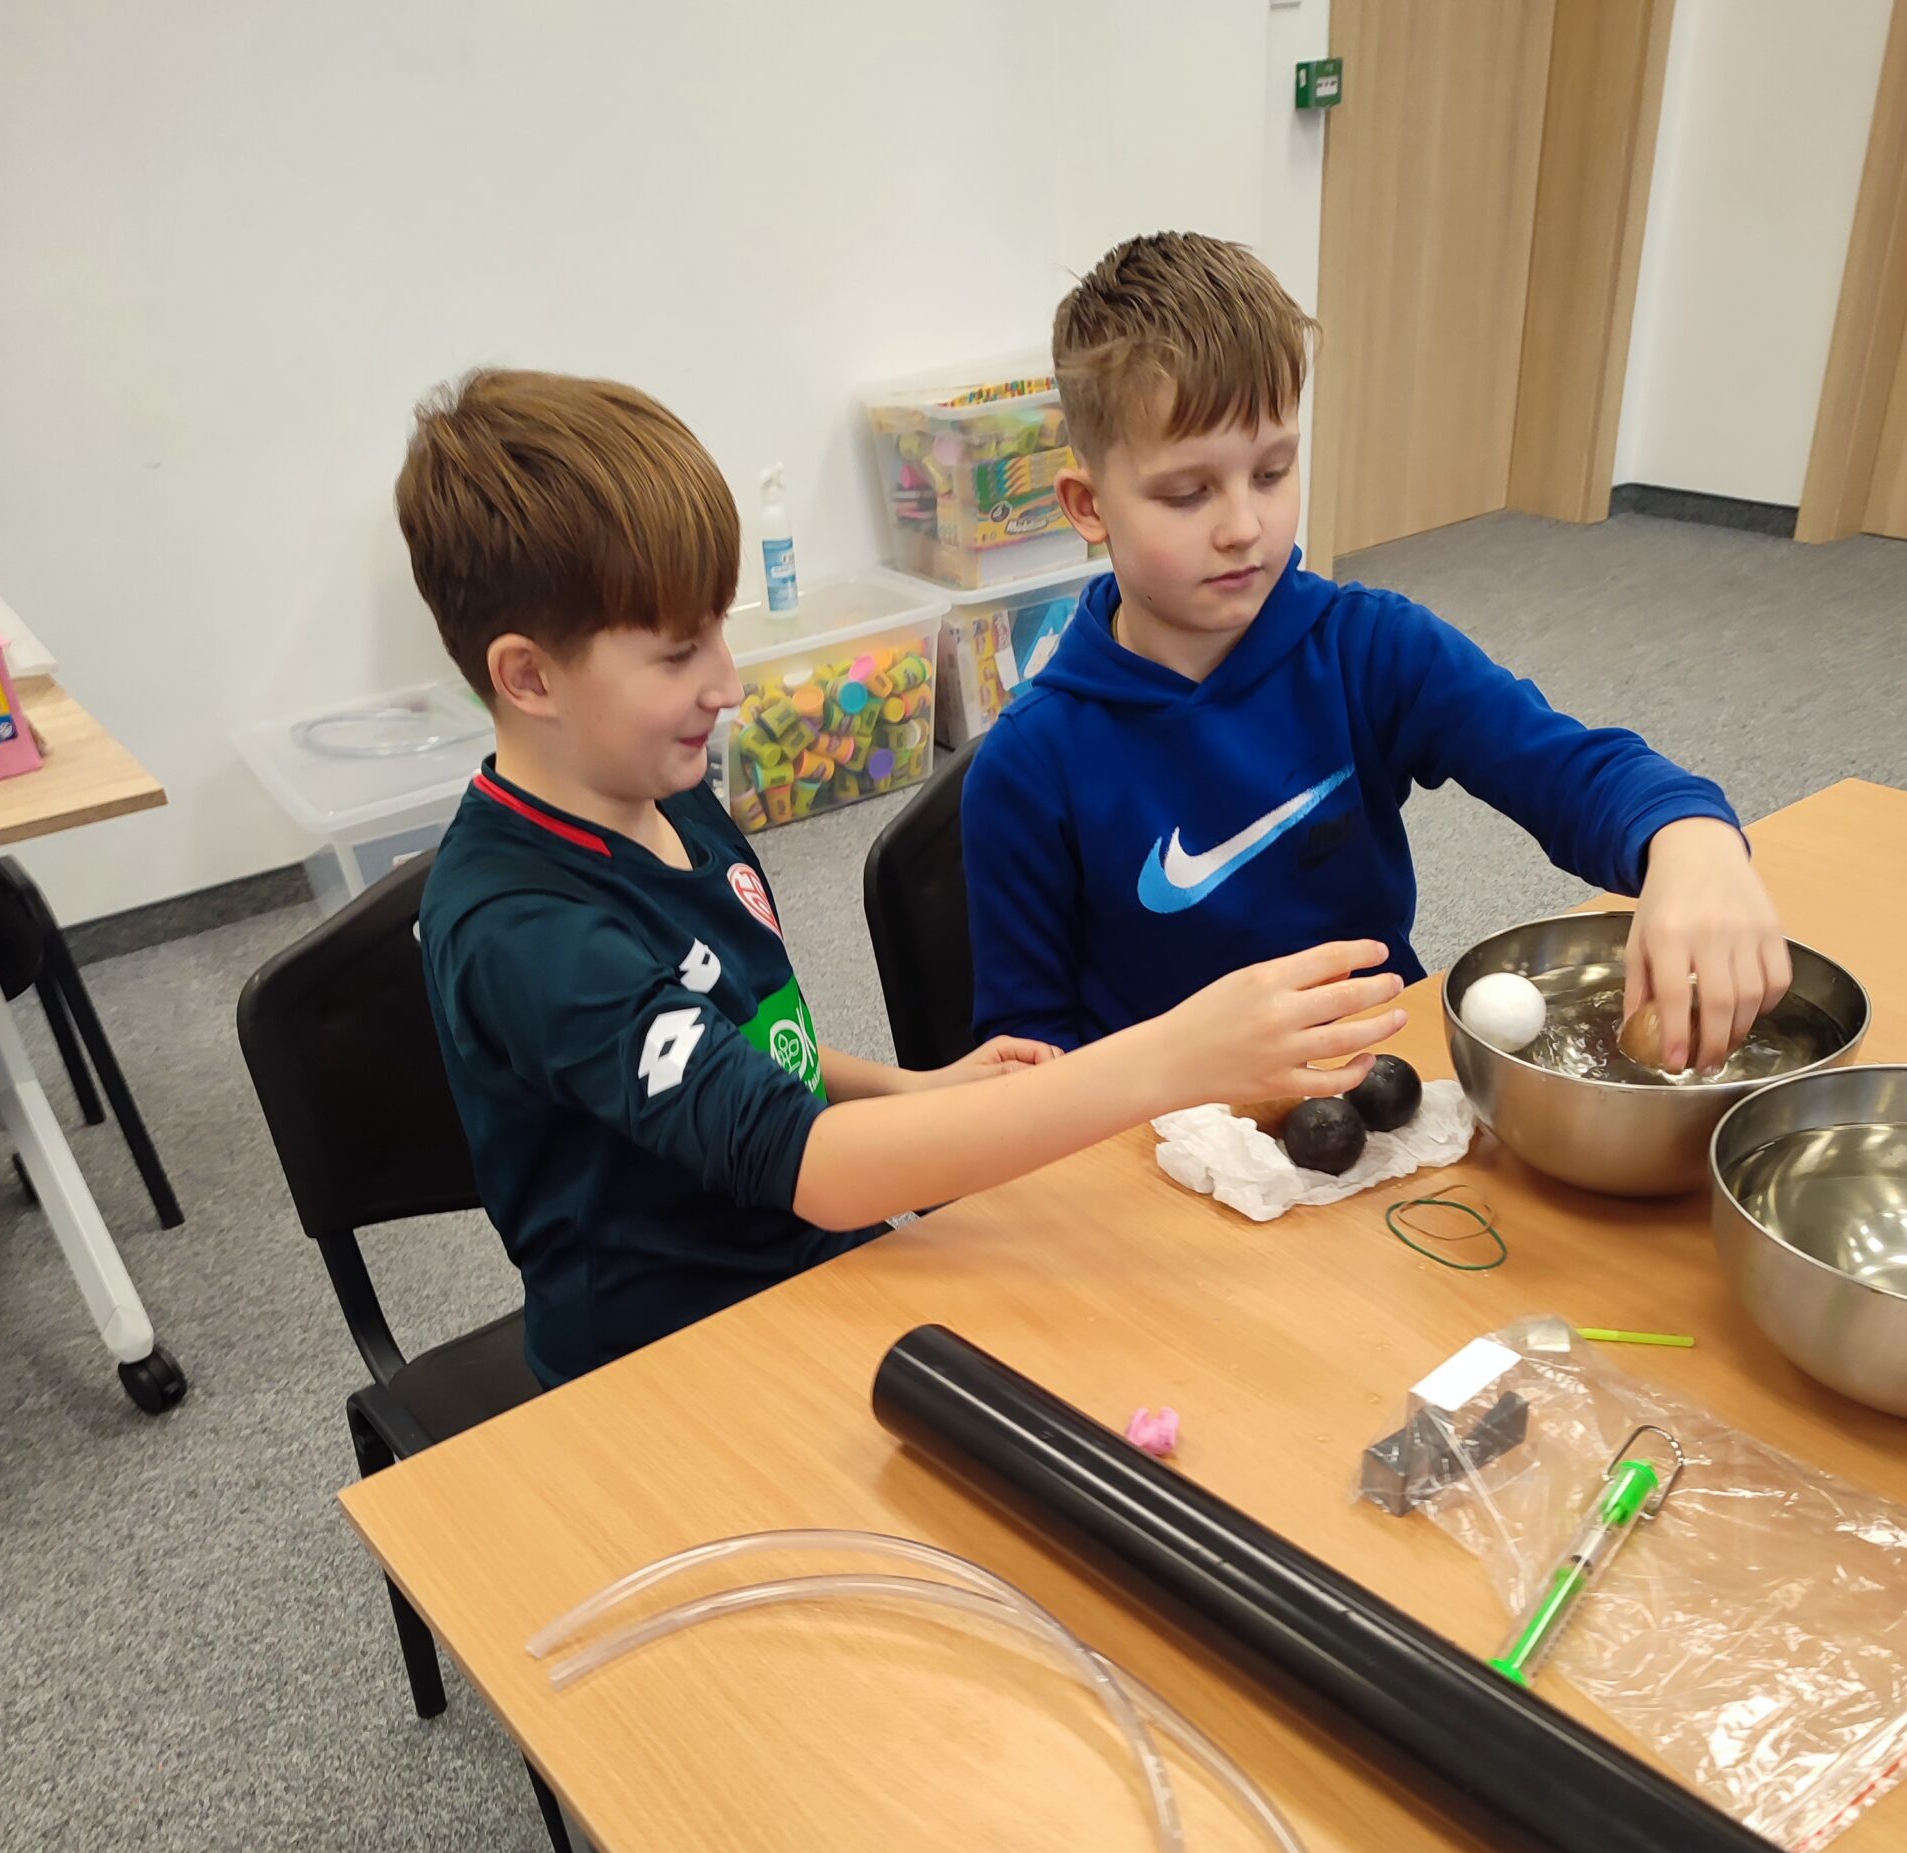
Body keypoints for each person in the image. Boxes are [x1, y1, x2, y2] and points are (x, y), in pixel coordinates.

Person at [395, 368, 1408, 1388]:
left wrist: (909, 1088)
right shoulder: (524, 931)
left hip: (821, 1270)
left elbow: (737, 1039)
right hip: (670, 1364)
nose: (729, 685)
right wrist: (1175, 1058)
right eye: (677, 655)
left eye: (718, 632)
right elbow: (807, 1164)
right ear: (528, 676)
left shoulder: (655, 784)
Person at [963, 231, 1789, 1079]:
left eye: (1273, 473)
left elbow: (1568, 770)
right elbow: (1025, 1068)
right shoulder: (1031, 764)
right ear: (1088, 505)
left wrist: (1690, 839)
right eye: (1187, 492)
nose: (1244, 526)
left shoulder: (1371, 648)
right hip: (1166, 1130)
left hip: (1377, 1082)